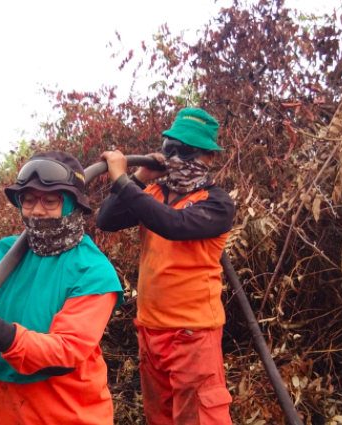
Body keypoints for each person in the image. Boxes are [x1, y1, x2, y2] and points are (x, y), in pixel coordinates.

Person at [0, 151, 123, 425]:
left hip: (66, 414)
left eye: (50, 200)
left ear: (72, 205)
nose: (37, 210)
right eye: (28, 200)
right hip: (2, 413)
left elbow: (66, 351)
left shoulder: (93, 271)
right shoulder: (2, 254)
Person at [96, 108, 235, 425]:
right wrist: (139, 178)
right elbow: (107, 220)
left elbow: (173, 224)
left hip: (192, 335)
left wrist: (122, 180)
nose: (175, 157)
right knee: (160, 418)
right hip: (150, 332)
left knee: (198, 418)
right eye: (170, 147)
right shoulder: (153, 192)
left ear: (208, 158)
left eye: (185, 150)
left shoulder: (216, 202)